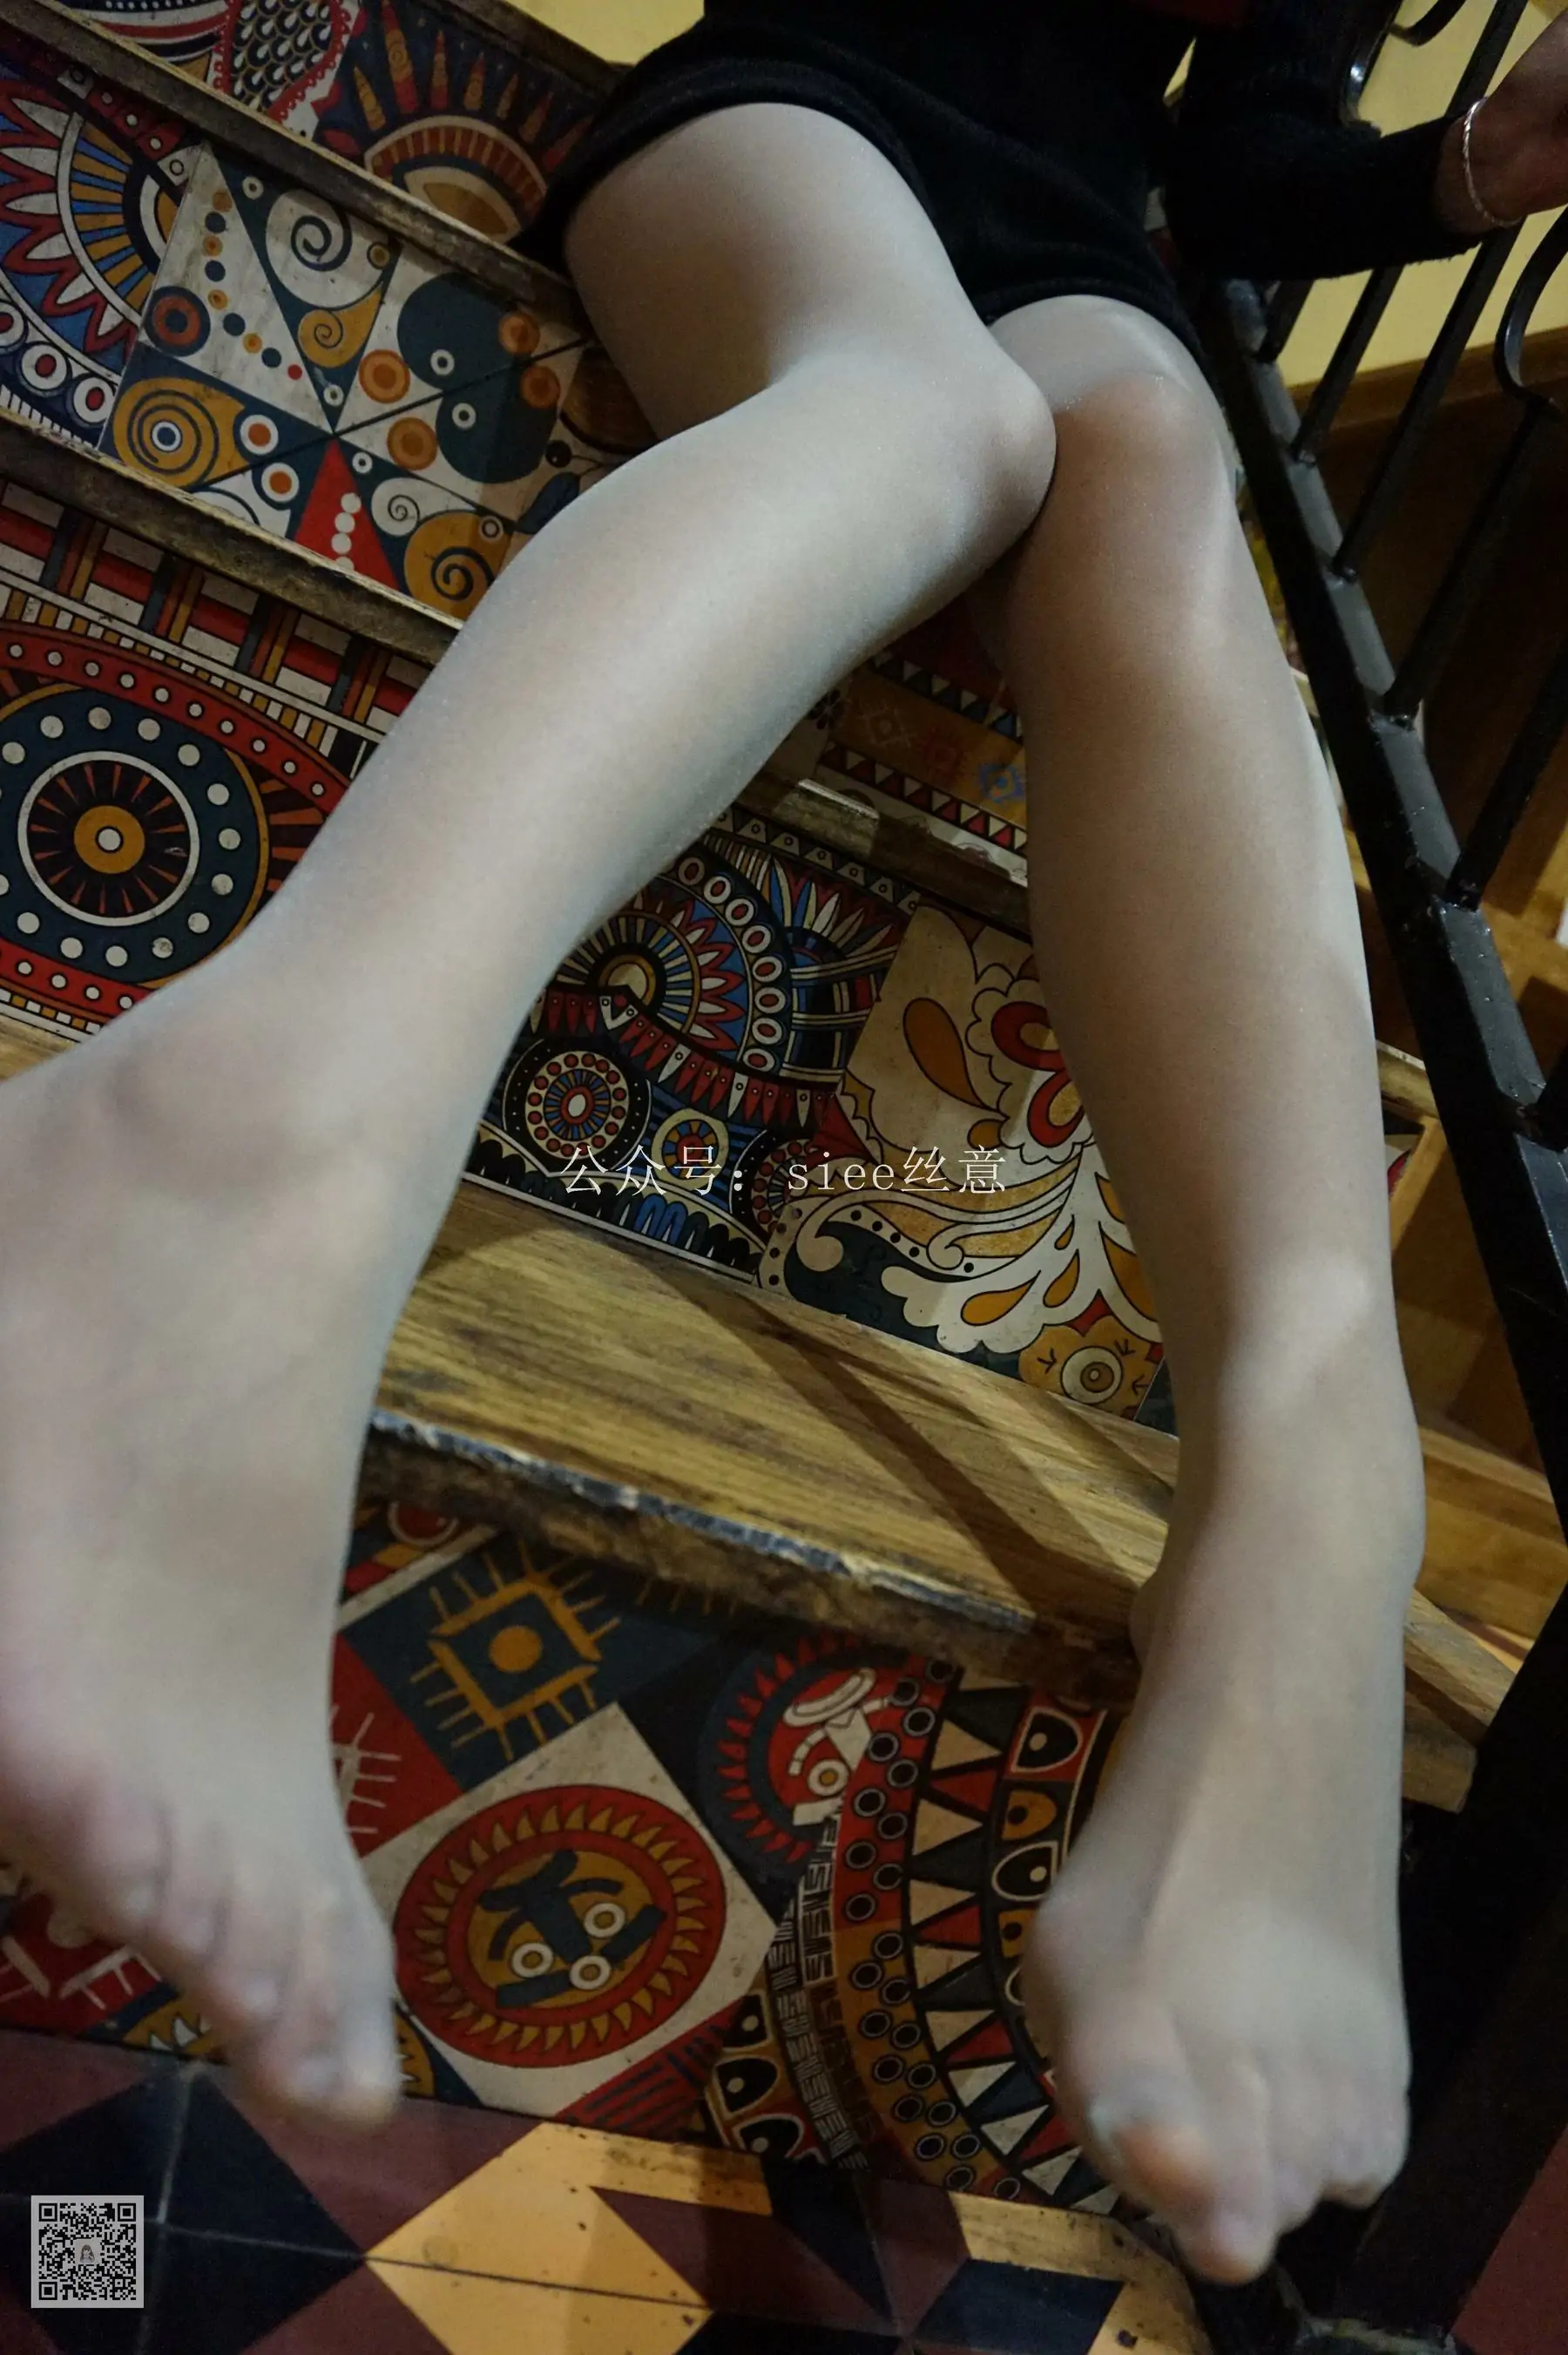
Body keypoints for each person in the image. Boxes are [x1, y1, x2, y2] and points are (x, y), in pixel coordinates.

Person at [1, 0, 1565, 2285]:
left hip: (1075, 249)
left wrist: (1463, 178)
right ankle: (248, 1134)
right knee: (931, 413)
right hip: (817, 108)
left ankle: (1316, 1502)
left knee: (1149, 461)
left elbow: (1243, 168)